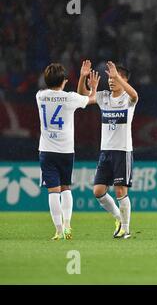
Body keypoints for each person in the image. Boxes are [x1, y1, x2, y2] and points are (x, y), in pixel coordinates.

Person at [78, 60, 138, 239]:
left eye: (115, 77)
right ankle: (119, 218)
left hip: (122, 151)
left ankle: (125, 229)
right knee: (98, 191)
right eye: (110, 77)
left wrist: (118, 77)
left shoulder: (128, 99)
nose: (111, 80)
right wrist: (82, 77)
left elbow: (135, 95)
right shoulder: (104, 97)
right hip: (105, 152)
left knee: (120, 191)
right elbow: (83, 97)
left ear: (123, 79)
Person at [37, 63, 97, 240]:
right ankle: (67, 225)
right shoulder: (69, 98)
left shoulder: (40, 96)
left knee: (53, 191)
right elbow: (90, 99)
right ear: (64, 81)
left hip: (47, 150)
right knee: (66, 188)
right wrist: (91, 85)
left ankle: (57, 230)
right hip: (66, 151)